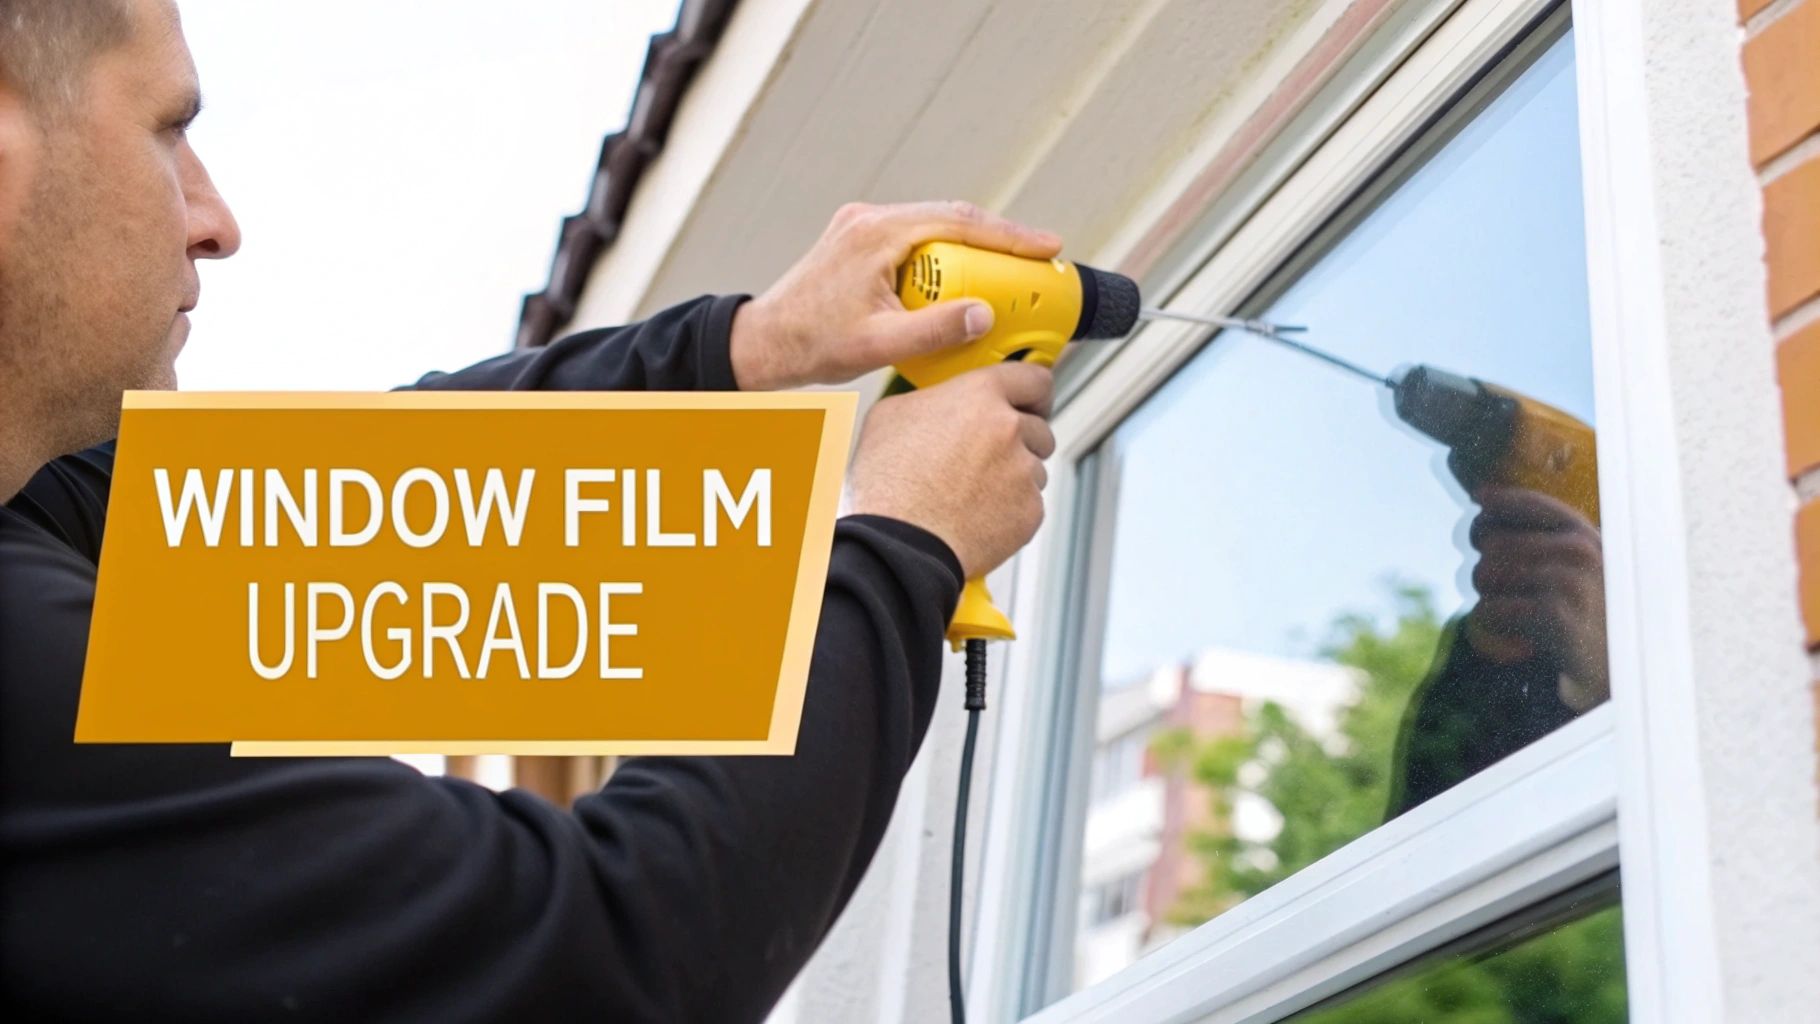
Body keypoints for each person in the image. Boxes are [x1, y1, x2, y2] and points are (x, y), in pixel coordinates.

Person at [0, 1, 1060, 1020]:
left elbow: (358, 501)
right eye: (168, 129)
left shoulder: (32, 518)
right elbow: (583, 965)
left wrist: (751, 345)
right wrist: (901, 542)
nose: (215, 221)